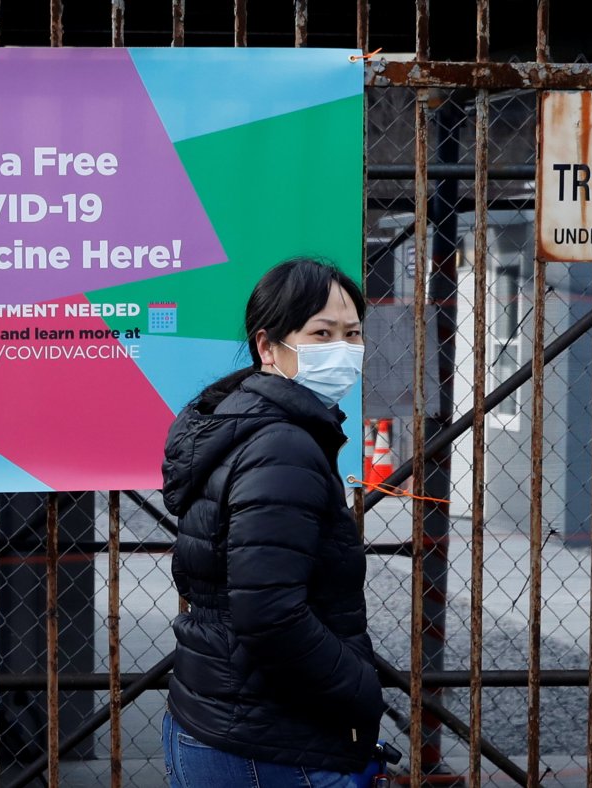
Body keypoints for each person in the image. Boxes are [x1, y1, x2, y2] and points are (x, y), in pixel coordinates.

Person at [160, 257, 384, 787]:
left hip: (228, 718)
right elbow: (270, 612)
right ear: (268, 347)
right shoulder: (283, 444)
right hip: (271, 742)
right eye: (321, 333)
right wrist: (360, 690)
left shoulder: (247, 424)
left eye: (352, 334)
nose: (343, 350)